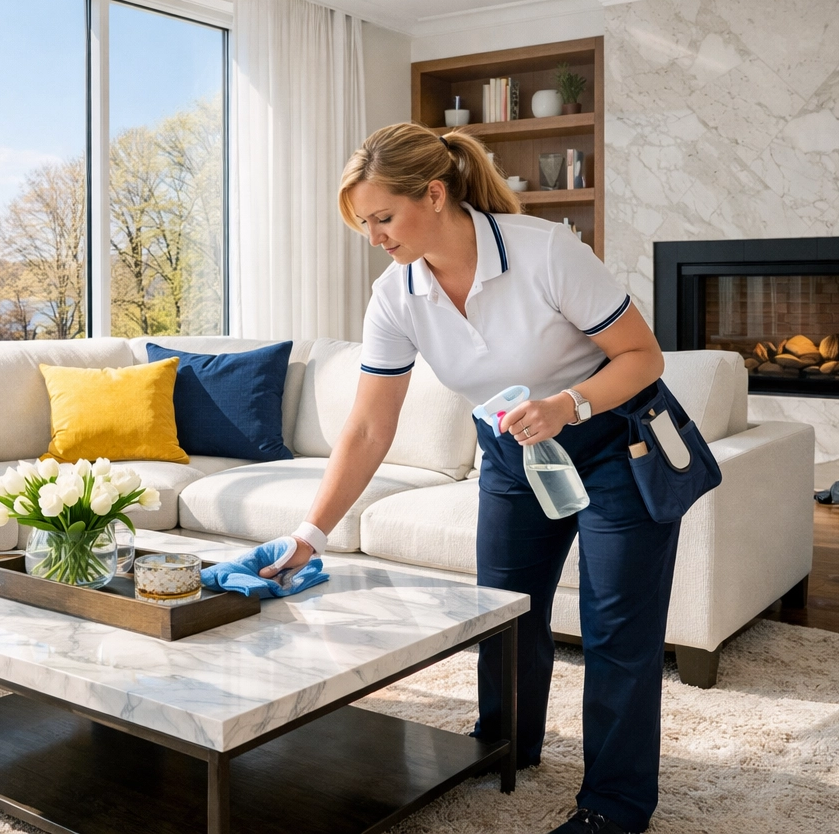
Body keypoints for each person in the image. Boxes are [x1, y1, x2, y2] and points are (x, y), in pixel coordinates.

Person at [259, 122, 675, 834]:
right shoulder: (397, 295)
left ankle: (615, 805)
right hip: (512, 449)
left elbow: (643, 355)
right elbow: (367, 427)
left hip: (613, 438)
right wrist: (309, 532)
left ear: (435, 193)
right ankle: (509, 743)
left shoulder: (545, 251)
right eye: (364, 224)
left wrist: (568, 404)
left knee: (616, 630)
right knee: (506, 616)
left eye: (383, 218)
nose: (375, 237)